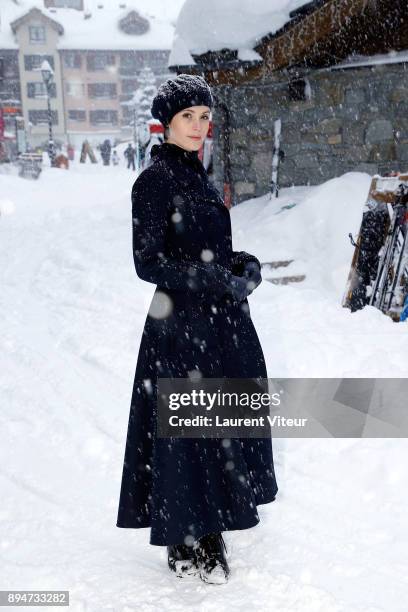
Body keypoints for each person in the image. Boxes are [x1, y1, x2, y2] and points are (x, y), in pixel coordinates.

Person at [116, 74, 278, 584]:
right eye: (189, 117)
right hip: (180, 324)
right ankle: (190, 536)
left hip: (219, 322)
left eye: (205, 117)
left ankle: (212, 525)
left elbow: (211, 248)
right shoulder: (154, 181)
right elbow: (149, 262)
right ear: (165, 124)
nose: (199, 126)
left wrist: (243, 265)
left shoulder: (200, 178)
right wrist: (212, 277)